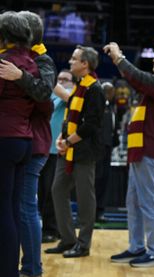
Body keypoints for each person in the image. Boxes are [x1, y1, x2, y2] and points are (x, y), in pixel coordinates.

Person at [104, 42, 154, 267]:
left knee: (149, 201)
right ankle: (137, 246)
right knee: (133, 201)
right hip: (140, 151)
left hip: (149, 150)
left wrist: (119, 57)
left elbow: (137, 76)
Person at [0, 10, 57, 277]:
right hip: (24, 137)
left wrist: (18, 77)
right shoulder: (30, 60)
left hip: (27, 140)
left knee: (22, 207)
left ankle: (31, 268)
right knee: (17, 207)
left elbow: (44, 98)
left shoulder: (40, 60)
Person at [44, 46, 105, 258]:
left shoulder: (95, 89)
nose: (70, 62)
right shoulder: (79, 86)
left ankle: (83, 243)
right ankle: (67, 238)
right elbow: (70, 119)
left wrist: (68, 141)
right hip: (68, 150)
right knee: (57, 190)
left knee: (85, 198)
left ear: (85, 64)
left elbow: (91, 125)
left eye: (74, 59)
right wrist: (62, 138)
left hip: (84, 152)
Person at [0, 11, 39, 277]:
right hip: (24, 140)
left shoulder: (4, 62)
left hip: (4, 139)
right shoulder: (31, 62)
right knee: (12, 209)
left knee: (3, 210)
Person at [38, 69, 75, 244]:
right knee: (43, 192)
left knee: (51, 193)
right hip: (43, 149)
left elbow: (70, 99)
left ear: (72, 82)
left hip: (59, 151)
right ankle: (51, 228)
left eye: (65, 79)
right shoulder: (51, 96)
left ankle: (52, 229)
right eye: (58, 79)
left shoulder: (71, 96)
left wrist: (53, 84)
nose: (61, 81)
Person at [95, 81, 118, 222]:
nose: (110, 94)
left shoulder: (112, 108)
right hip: (97, 149)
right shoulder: (98, 107)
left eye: (111, 91)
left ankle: (100, 211)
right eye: (108, 91)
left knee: (104, 181)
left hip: (108, 149)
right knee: (95, 180)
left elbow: (113, 130)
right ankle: (91, 212)